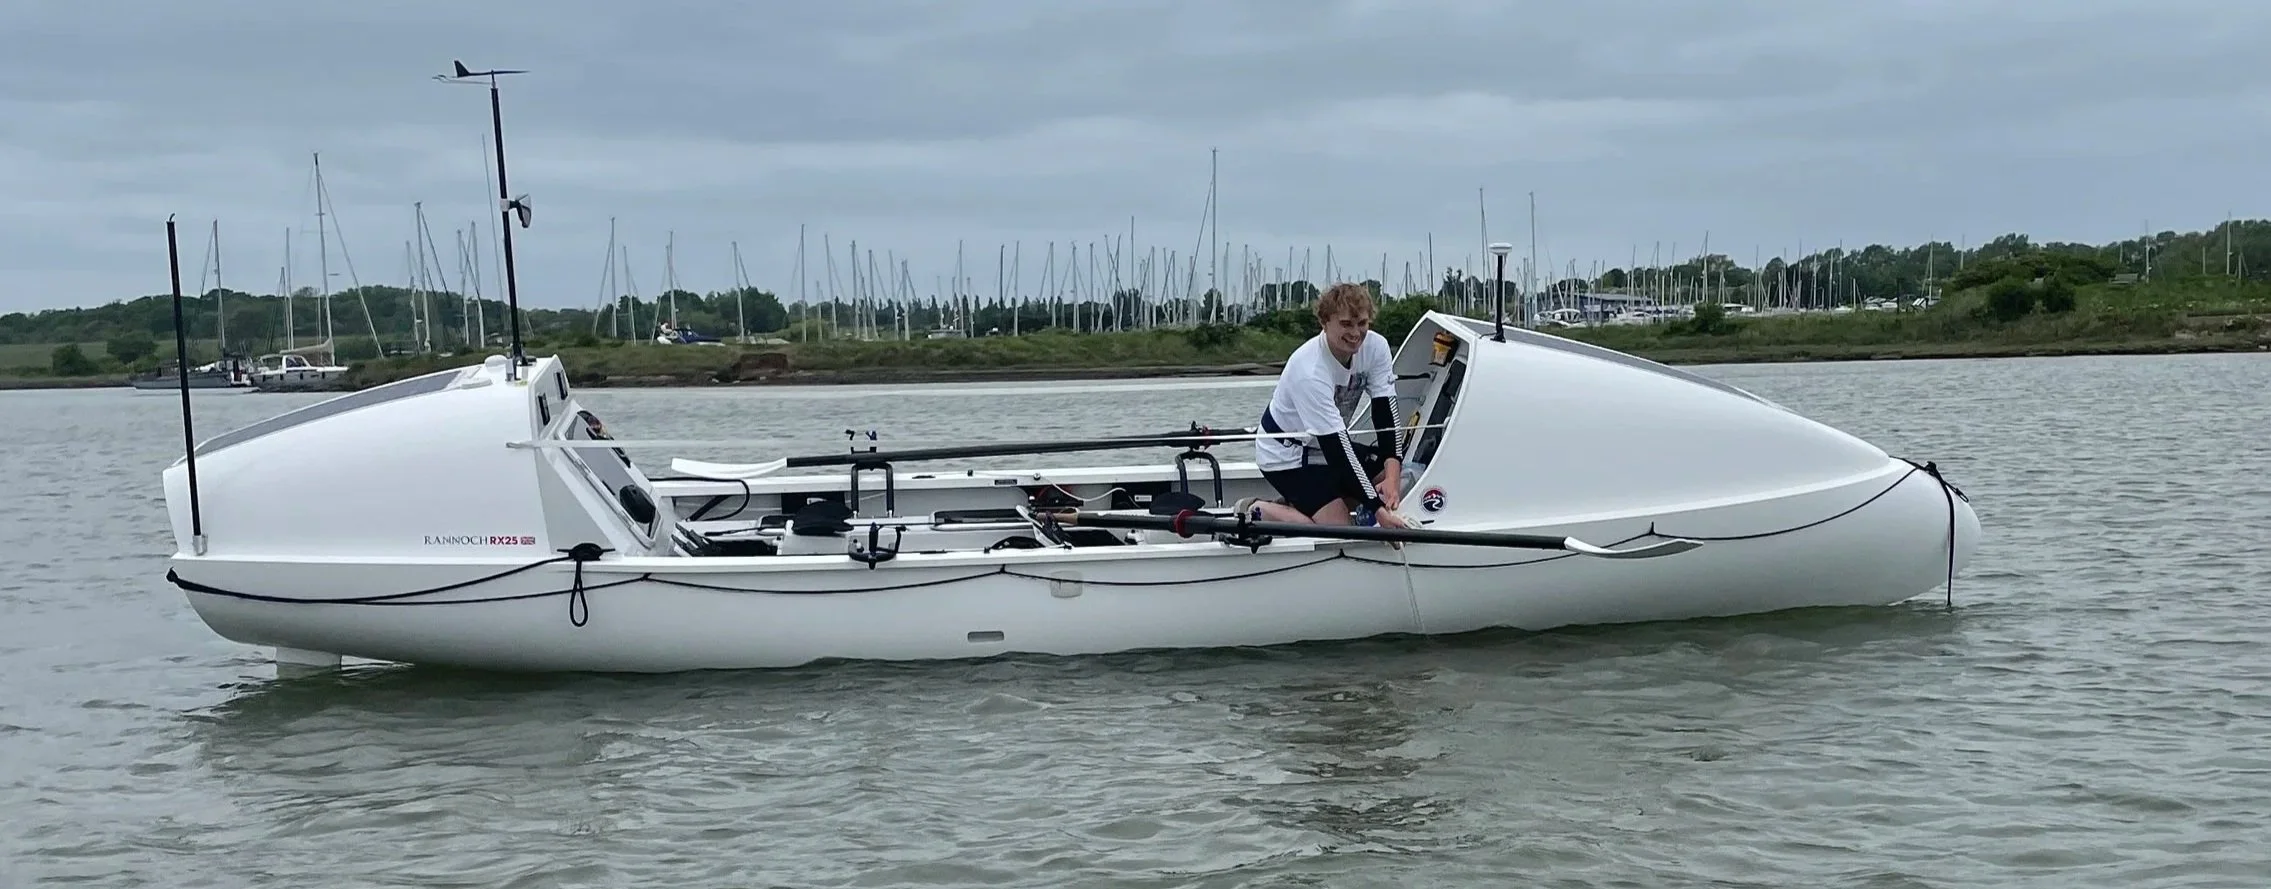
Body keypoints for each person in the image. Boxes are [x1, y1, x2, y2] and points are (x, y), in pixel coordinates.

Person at [1236, 282, 1411, 529]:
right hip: (1288, 454)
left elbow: (1386, 414)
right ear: (1324, 322)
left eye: (1362, 323)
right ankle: (1258, 509)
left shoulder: (1376, 347)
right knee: (1338, 528)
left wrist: (1391, 479)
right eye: (1346, 324)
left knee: (1394, 476)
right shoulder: (1309, 371)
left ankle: (1301, 504)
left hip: (1325, 446)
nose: (1355, 334)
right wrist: (1379, 512)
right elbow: (1337, 451)